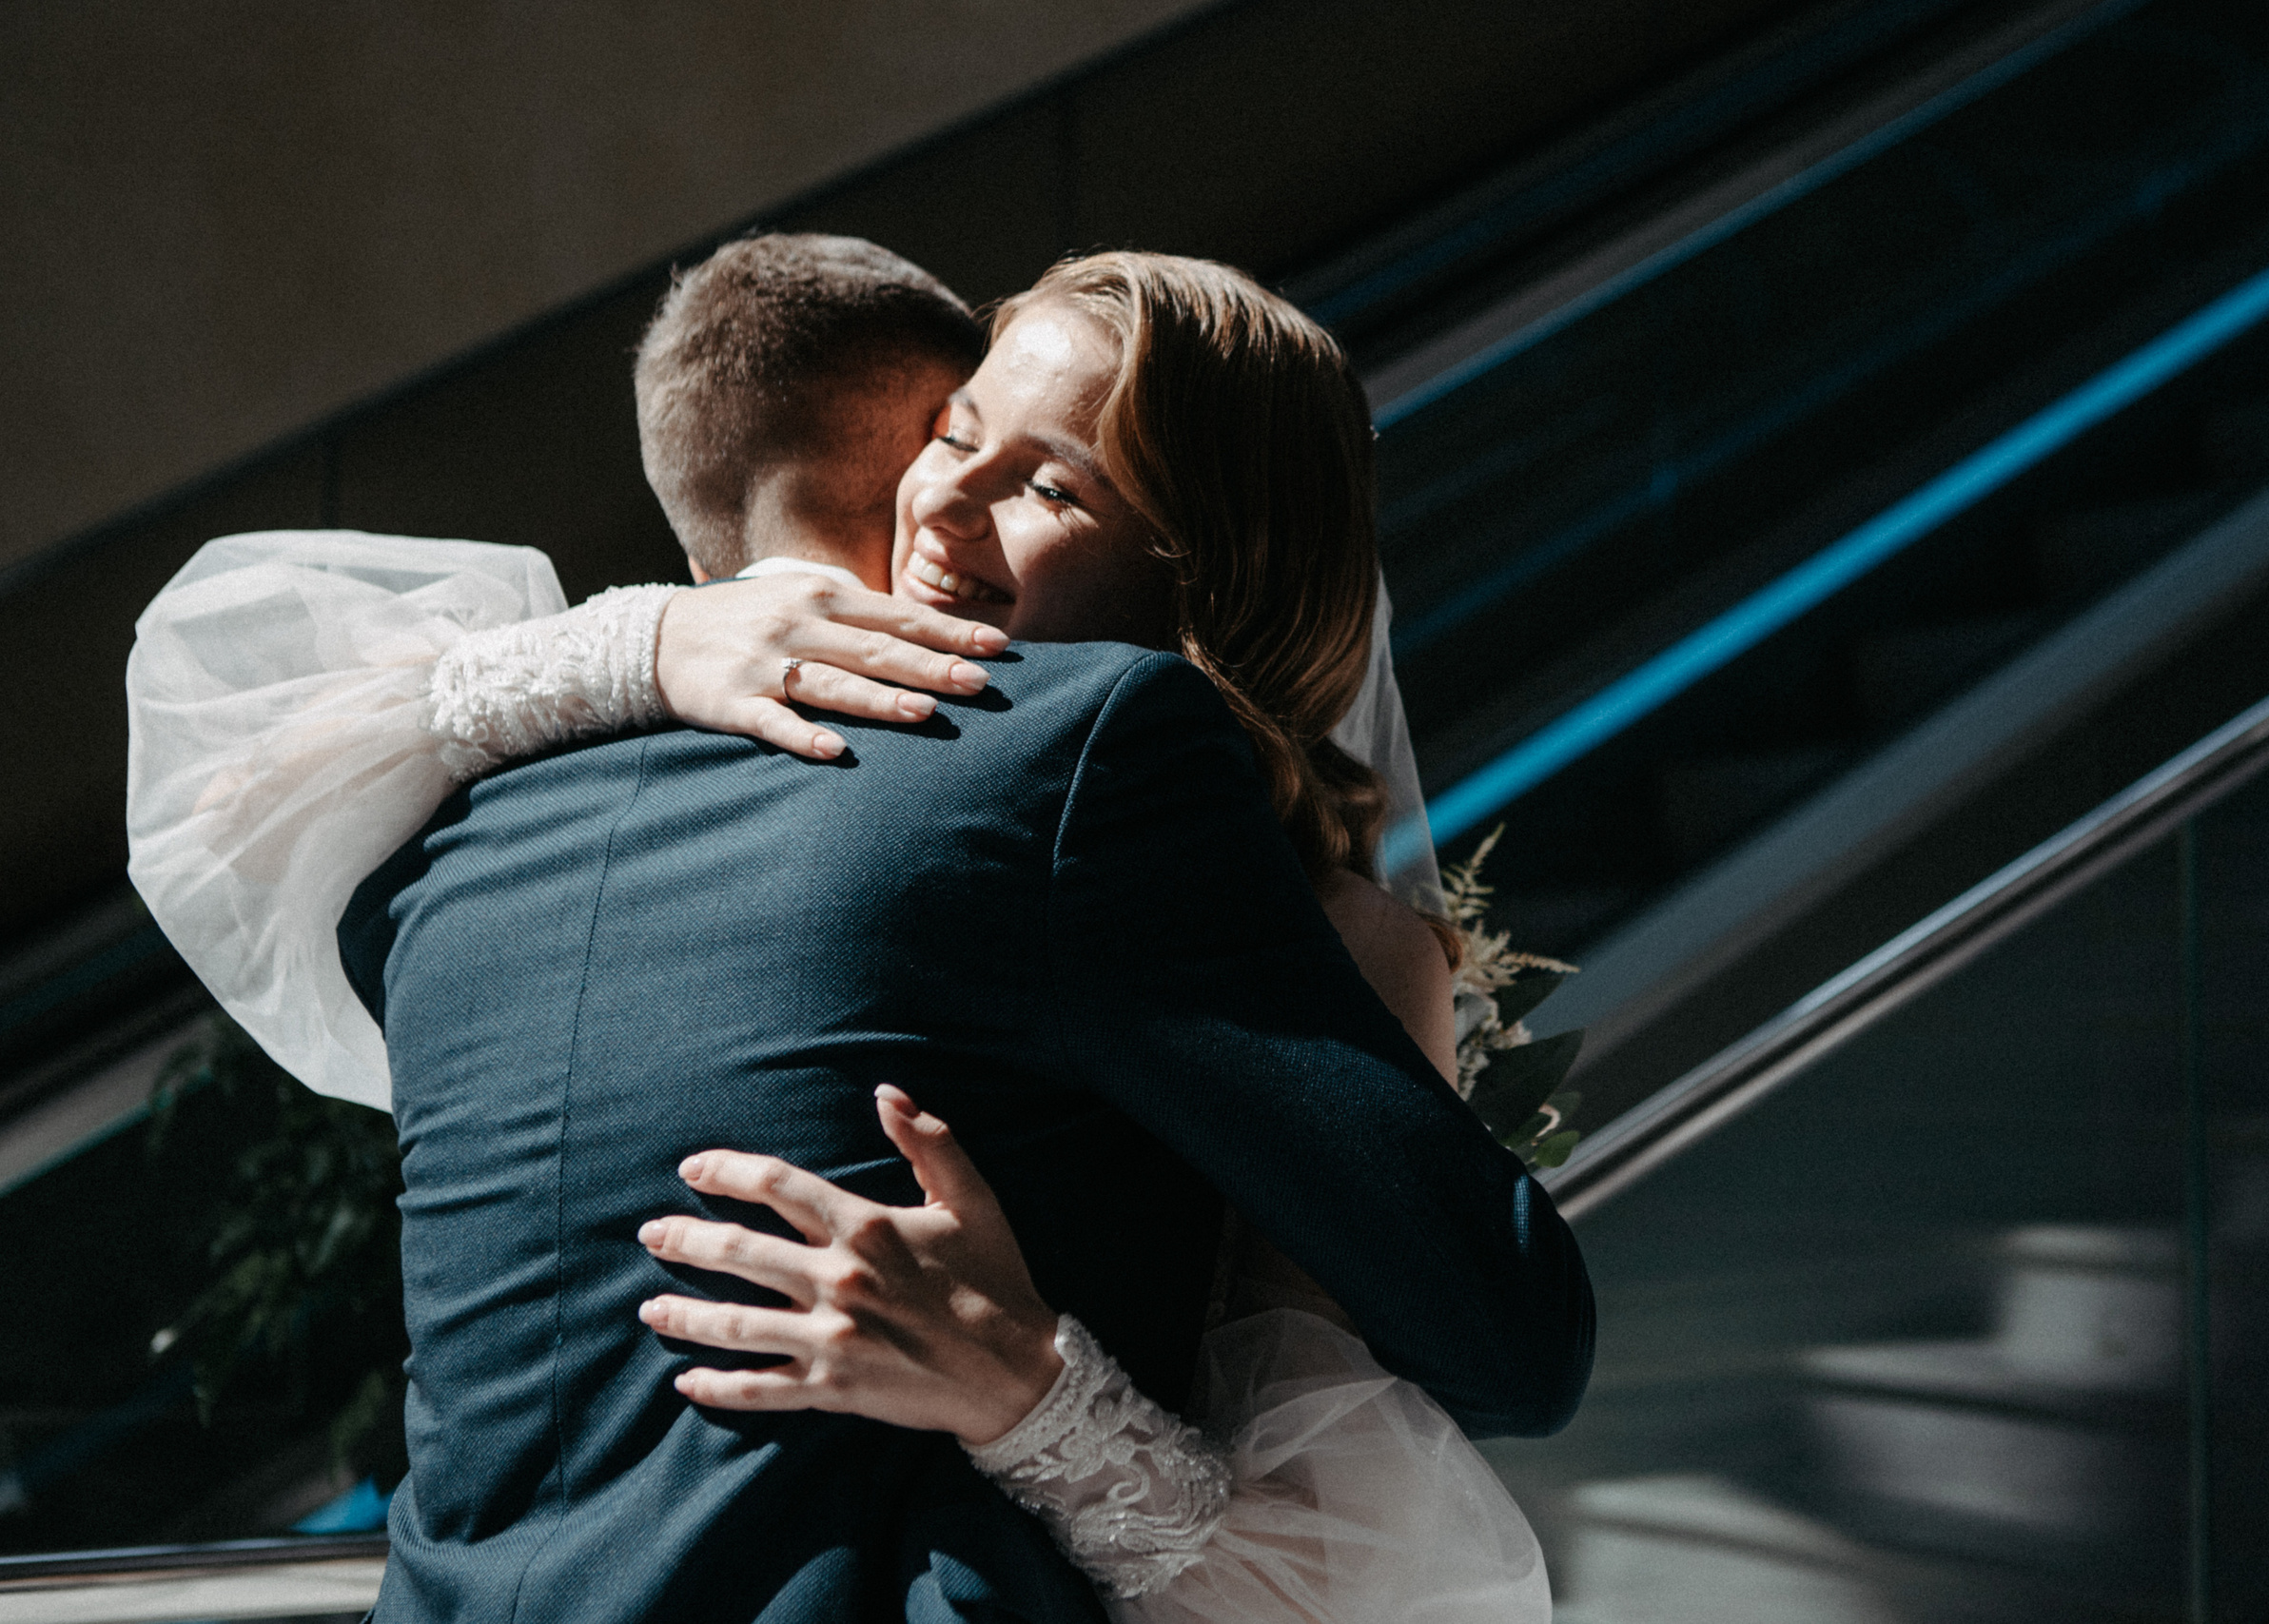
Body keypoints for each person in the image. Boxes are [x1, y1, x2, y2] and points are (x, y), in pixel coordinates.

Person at [127, 242, 1590, 1623]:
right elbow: (1509, 1341)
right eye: (955, 437)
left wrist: (623, 647)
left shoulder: (441, 844)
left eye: (1053, 491)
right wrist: (1038, 1391)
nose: (947, 509)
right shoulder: (1090, 752)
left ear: (1200, 577)